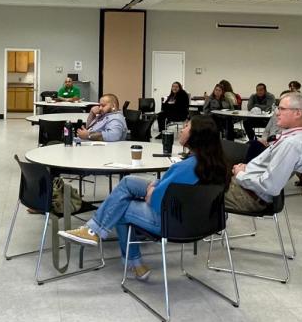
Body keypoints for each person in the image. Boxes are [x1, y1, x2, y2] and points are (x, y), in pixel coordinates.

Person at [58, 116, 228, 279]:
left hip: (172, 222)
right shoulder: (214, 164)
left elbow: (155, 201)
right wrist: (156, 186)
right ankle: (95, 231)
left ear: (196, 136)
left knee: (121, 207)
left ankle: (124, 254)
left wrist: (152, 192)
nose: (182, 130)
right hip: (202, 221)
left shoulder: (185, 167)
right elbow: (176, 187)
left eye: (186, 127)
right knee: (128, 182)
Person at [225, 93, 302, 212]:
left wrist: (240, 174)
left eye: (282, 109)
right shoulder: (297, 138)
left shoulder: (292, 144)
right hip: (247, 187)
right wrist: (247, 168)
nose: (277, 113)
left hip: (246, 195)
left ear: (298, 113)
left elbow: (270, 185)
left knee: (196, 192)